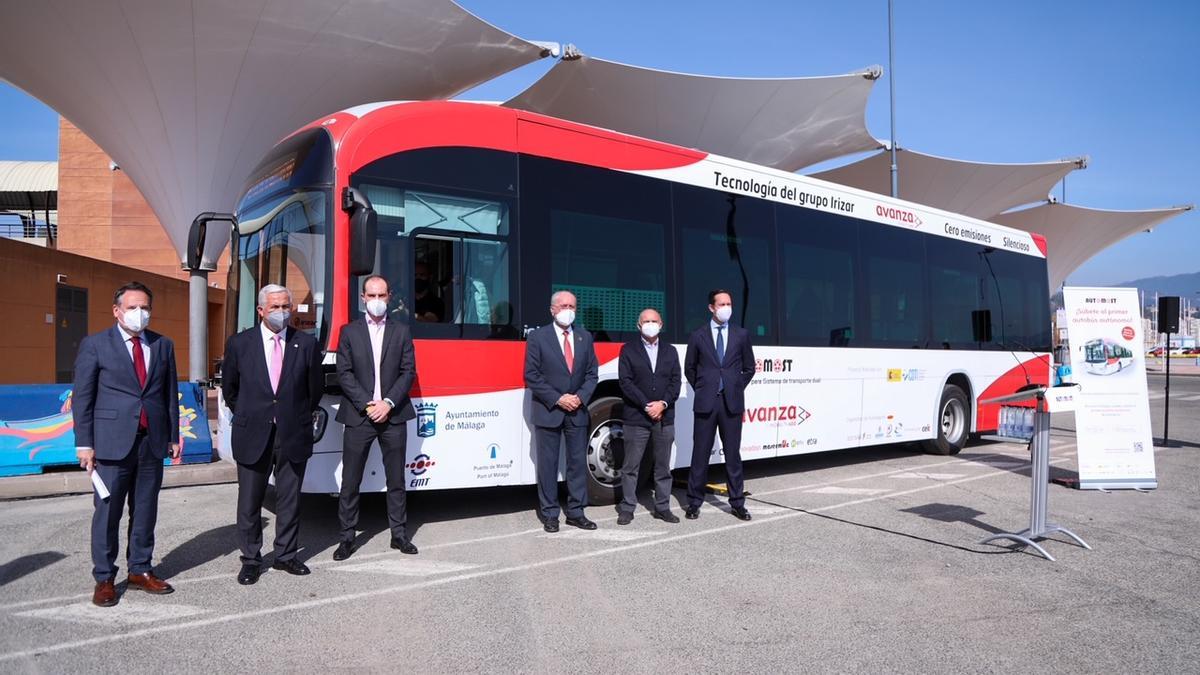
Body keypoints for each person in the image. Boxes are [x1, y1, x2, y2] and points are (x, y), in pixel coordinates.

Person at [73, 281, 180, 607]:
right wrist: (84, 444)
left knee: (146, 509)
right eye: (132, 307)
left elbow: (168, 394)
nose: (139, 313)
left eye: (145, 307)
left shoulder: (163, 345)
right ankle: (104, 577)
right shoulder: (95, 345)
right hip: (110, 444)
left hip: (152, 442)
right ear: (117, 311)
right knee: (107, 513)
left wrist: (174, 436)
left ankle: (140, 569)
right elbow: (83, 397)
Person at [222, 284, 324, 585]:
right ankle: (251, 559)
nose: (281, 312)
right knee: (250, 501)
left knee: (290, 499)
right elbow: (231, 389)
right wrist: (252, 413)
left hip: (292, 432)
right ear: (260, 311)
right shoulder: (240, 343)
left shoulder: (304, 344)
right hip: (253, 432)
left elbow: (313, 389)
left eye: (285, 306)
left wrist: (295, 415)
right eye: (275, 307)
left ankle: (286, 555)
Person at [333, 275, 418, 560]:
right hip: (360, 415)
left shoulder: (402, 331)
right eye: (372, 296)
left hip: (393, 415)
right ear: (363, 298)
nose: (378, 301)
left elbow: (408, 372)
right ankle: (346, 538)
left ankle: (399, 535)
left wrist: (389, 403)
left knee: (396, 479)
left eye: (382, 296)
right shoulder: (349, 332)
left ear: (389, 297)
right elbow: (343, 372)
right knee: (350, 480)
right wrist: (368, 404)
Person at [523, 290, 598, 532]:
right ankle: (550, 514)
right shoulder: (537, 337)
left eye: (573, 306)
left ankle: (576, 512)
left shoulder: (585, 338)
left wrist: (579, 397)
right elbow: (531, 375)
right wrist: (558, 399)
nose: (569, 310)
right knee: (547, 464)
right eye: (564, 305)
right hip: (549, 409)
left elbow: (591, 374)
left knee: (577, 463)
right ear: (553, 309)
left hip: (577, 409)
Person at [683, 289, 756, 521]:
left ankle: (737, 503)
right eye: (722, 304)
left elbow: (749, 368)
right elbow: (690, 369)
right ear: (711, 308)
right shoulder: (698, 336)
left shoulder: (741, 335)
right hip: (706, 403)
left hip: (731, 404)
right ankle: (694, 502)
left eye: (729, 303)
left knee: (732, 455)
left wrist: (733, 387)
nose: (727, 307)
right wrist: (706, 388)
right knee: (700, 455)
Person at [616, 308, 682, 525]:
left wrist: (662, 404)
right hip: (637, 416)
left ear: (661, 324)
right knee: (630, 466)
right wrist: (647, 405)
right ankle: (627, 507)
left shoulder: (670, 351)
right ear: (638, 325)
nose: (650, 324)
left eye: (654, 321)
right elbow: (625, 382)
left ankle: (662, 507)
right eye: (646, 321)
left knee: (663, 467)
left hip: (664, 418)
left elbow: (675, 382)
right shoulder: (628, 350)